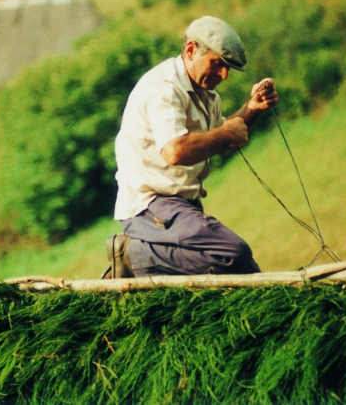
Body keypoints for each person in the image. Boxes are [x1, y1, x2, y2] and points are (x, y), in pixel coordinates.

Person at [105, 16, 279, 278]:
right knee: (233, 254)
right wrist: (225, 133)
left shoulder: (206, 94)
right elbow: (175, 150)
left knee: (249, 274)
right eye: (218, 64)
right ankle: (132, 254)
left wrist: (253, 108)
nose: (224, 75)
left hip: (182, 206)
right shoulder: (164, 89)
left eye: (228, 68)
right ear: (190, 50)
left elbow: (220, 134)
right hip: (151, 204)